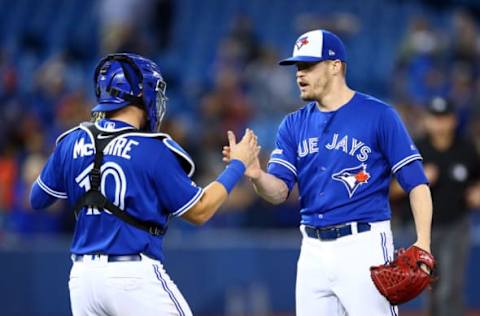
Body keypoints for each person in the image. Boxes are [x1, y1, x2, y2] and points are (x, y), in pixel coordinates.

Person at [30, 53, 258, 316]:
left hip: (82, 280)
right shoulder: (152, 148)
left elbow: (38, 199)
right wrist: (237, 166)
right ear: (140, 94)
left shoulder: (71, 140)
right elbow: (200, 211)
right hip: (132, 276)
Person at [223, 29, 433, 315]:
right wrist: (257, 175)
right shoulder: (292, 125)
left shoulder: (379, 115)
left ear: (335, 66)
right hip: (312, 250)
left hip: (363, 243)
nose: (300, 73)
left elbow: (417, 183)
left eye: (308, 65)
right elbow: (279, 192)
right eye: (297, 67)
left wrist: (423, 242)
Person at [418, 97, 479, 316]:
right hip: (424, 229)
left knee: (449, 288)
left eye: (444, 118)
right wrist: (417, 181)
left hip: (456, 225)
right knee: (431, 287)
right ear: (426, 120)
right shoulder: (416, 148)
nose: (440, 123)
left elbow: (477, 179)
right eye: (435, 118)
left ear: (453, 120)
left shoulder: (466, 148)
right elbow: (392, 189)